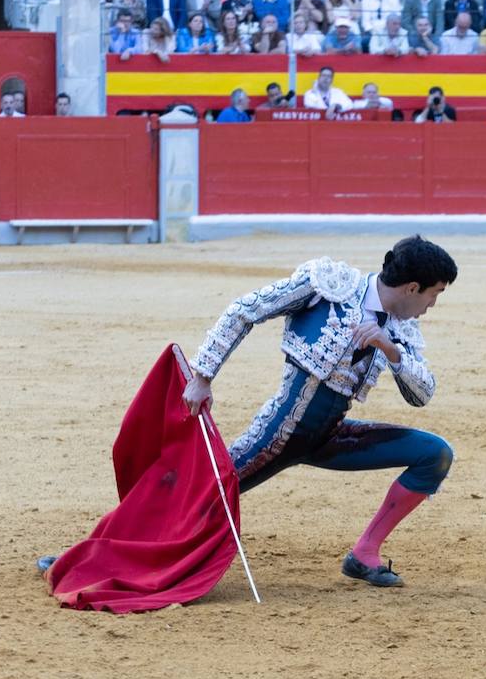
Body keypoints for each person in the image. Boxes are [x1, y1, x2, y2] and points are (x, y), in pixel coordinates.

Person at [183, 237, 457, 588]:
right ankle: (147, 548)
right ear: (412, 288)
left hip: (330, 437)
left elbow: (423, 394)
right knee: (201, 495)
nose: (432, 305)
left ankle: (364, 554)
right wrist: (202, 377)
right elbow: (245, 310)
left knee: (435, 455)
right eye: (434, 294)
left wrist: (390, 350)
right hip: (279, 435)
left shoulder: (399, 328)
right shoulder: (329, 286)